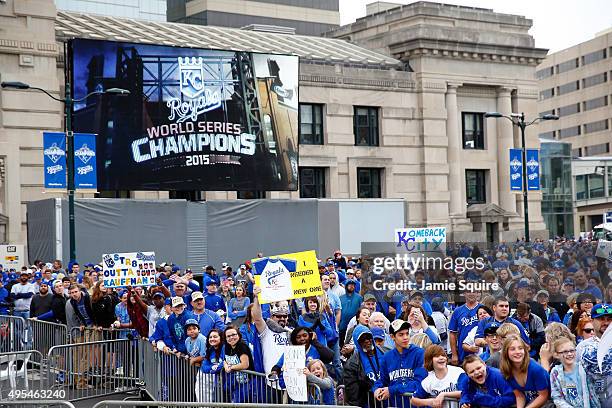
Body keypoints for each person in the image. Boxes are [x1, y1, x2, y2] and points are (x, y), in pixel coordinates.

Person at [373, 319, 427, 407]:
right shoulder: (387, 357)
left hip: (415, 404)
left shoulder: (419, 354)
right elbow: (382, 380)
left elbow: (419, 383)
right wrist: (377, 389)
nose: (405, 337)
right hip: (395, 405)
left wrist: (392, 390)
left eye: (407, 333)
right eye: (401, 335)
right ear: (392, 337)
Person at [500, 335, 550, 408]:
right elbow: (519, 395)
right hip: (530, 401)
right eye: (512, 349)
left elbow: (543, 396)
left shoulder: (535, 368)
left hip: (547, 402)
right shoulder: (506, 371)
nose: (517, 352)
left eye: (520, 348)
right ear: (506, 352)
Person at [550, 337, 600, 408]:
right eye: (565, 351)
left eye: (572, 350)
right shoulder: (555, 373)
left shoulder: (584, 367)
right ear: (556, 354)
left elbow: (595, 388)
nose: (570, 354)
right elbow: (557, 397)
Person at [579, 303, 612, 408]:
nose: (606, 323)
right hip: (594, 401)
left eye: (610, 319)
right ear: (592, 321)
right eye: (601, 319)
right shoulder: (582, 348)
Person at [343, 325, 385, 407]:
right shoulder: (351, 365)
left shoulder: (385, 353)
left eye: (368, 337)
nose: (367, 341)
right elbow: (353, 396)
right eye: (362, 339)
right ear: (357, 342)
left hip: (388, 402)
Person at [449, 286, 481, 365]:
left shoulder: (483, 309)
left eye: (474, 291)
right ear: (464, 293)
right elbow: (452, 333)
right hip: (463, 353)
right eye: (468, 291)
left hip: (480, 351)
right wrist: (454, 354)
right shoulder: (457, 311)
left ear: (477, 293)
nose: (471, 293)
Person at [223, 325, 254, 403]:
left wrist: (231, 368)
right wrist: (226, 366)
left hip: (247, 383)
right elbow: (225, 360)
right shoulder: (227, 347)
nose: (231, 337)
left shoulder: (242, 346)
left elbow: (245, 364)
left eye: (234, 334)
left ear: (239, 335)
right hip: (235, 382)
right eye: (228, 336)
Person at [201, 328, 225, 402]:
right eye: (210, 337)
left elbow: (225, 362)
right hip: (218, 384)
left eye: (215, 337)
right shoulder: (210, 350)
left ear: (221, 337)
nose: (212, 339)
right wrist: (212, 367)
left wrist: (215, 369)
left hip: (230, 383)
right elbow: (204, 367)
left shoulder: (225, 347)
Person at [339, 279, 362, 346]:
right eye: (349, 285)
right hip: (343, 325)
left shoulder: (359, 298)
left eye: (353, 285)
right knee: (342, 343)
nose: (351, 286)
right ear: (346, 286)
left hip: (354, 325)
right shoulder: (341, 298)